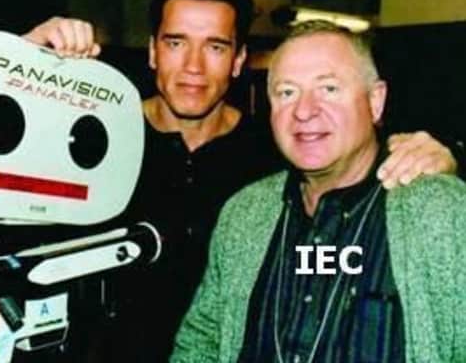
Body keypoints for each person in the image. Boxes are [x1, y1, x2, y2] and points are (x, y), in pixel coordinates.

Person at [23, 0, 460, 362]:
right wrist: (18, 64)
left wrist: (441, 167)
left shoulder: (277, 153)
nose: (193, 66)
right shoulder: (89, 139)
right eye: (176, 43)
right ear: (153, 51)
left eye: (215, 46)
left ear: (238, 60)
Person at [170, 20, 466, 363]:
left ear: (375, 101)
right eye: (287, 92)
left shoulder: (441, 213)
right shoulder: (244, 213)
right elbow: (203, 338)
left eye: (328, 89)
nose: (304, 111)